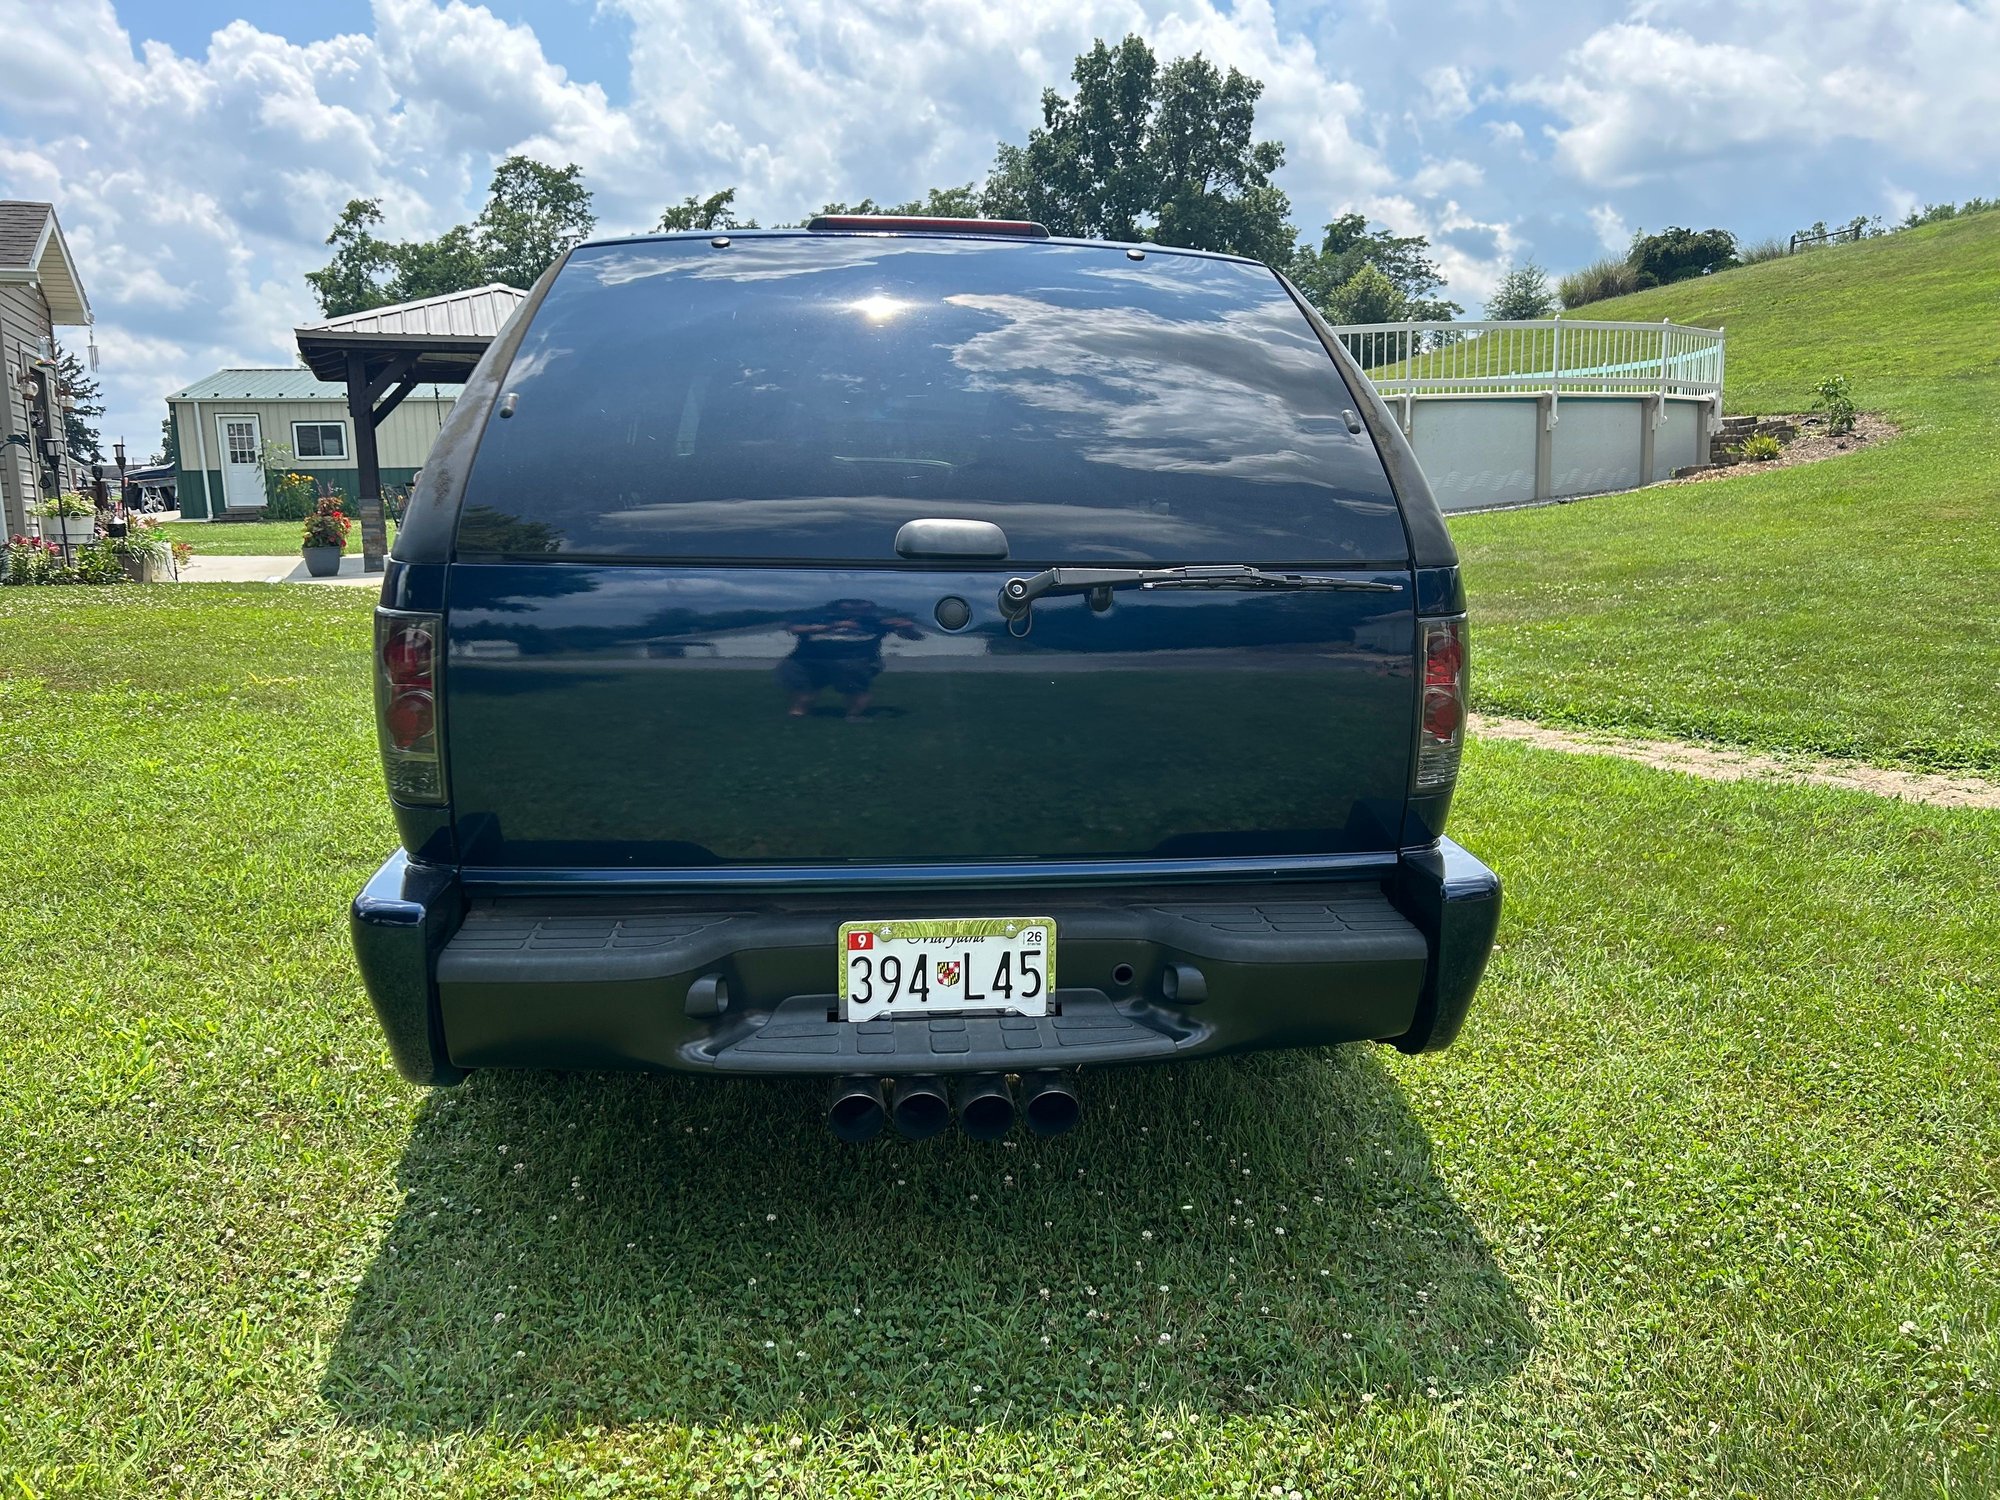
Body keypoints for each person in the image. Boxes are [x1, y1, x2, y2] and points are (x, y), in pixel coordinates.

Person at [776, 598, 921, 720]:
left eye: (862, 603)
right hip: (807, 657)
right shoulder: (817, 616)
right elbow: (794, 628)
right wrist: (832, 626)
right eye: (851, 603)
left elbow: (915, 637)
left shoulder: (877, 620)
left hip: (856, 659)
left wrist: (907, 627)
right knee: (797, 678)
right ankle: (798, 712)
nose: (856, 606)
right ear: (838, 604)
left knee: (854, 680)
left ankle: (854, 714)